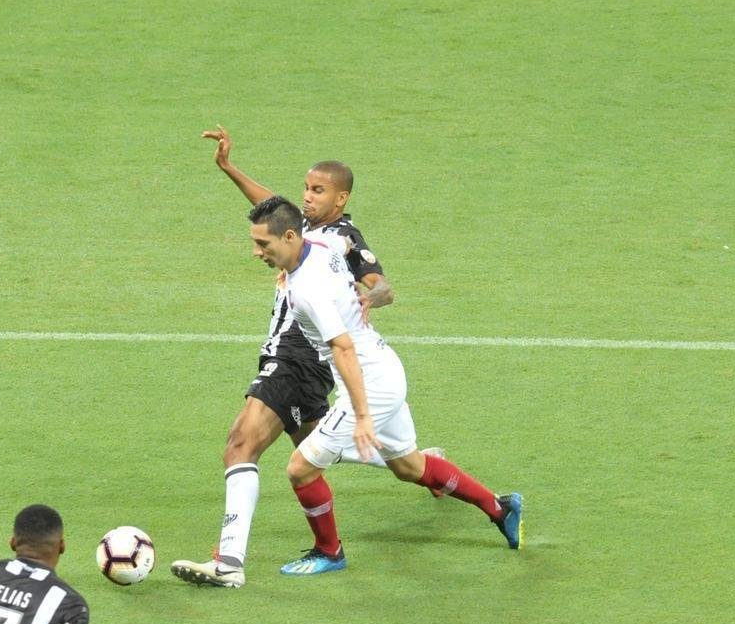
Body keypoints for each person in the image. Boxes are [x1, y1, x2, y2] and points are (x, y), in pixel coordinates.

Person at [172, 127, 440, 589]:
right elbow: (273, 208)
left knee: (242, 445)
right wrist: (229, 168)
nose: (308, 197)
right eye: (306, 189)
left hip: (299, 356)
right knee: (321, 446)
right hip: (302, 356)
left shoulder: (342, 236)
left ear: (340, 199)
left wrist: (372, 299)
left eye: (318, 191)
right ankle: (420, 465)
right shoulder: (301, 229)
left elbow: (383, 284)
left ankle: (229, 562)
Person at [245, 196, 523, 576]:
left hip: (369, 382)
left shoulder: (309, 290)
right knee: (409, 466)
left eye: (264, 244)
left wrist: (361, 416)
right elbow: (344, 244)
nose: (256, 252)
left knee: (300, 469)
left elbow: (342, 348)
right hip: (386, 367)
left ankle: (330, 553)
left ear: (291, 236)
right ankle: (500, 508)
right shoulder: (323, 243)